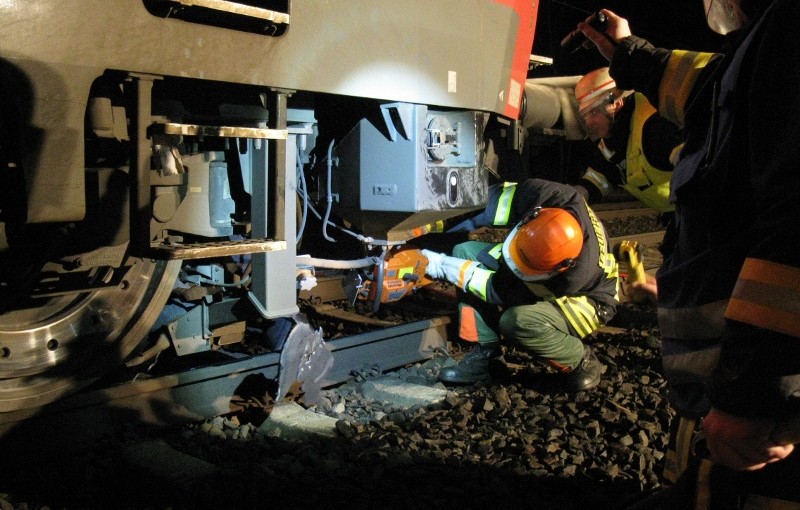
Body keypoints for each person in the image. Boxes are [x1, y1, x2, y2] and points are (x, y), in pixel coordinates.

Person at [576, 0, 800, 507]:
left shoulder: (787, 31)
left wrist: (753, 397)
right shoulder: (765, 44)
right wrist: (626, 50)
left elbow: (788, 233)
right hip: (734, 389)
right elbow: (713, 90)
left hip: (767, 415)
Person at [420, 178, 619, 391]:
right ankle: (484, 354)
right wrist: (427, 221)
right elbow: (482, 206)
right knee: (464, 252)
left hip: (591, 299)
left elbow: (500, 290)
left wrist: (442, 266)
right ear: (534, 215)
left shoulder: (572, 276)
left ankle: (580, 359)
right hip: (543, 268)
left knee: (517, 321)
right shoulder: (543, 194)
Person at [573, 67, 683, 217]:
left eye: (593, 112)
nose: (589, 122)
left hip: (702, 209)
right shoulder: (612, 139)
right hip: (677, 211)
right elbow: (602, 175)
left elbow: (695, 168)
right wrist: (575, 196)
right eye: (585, 116)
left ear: (616, 104)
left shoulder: (657, 127)